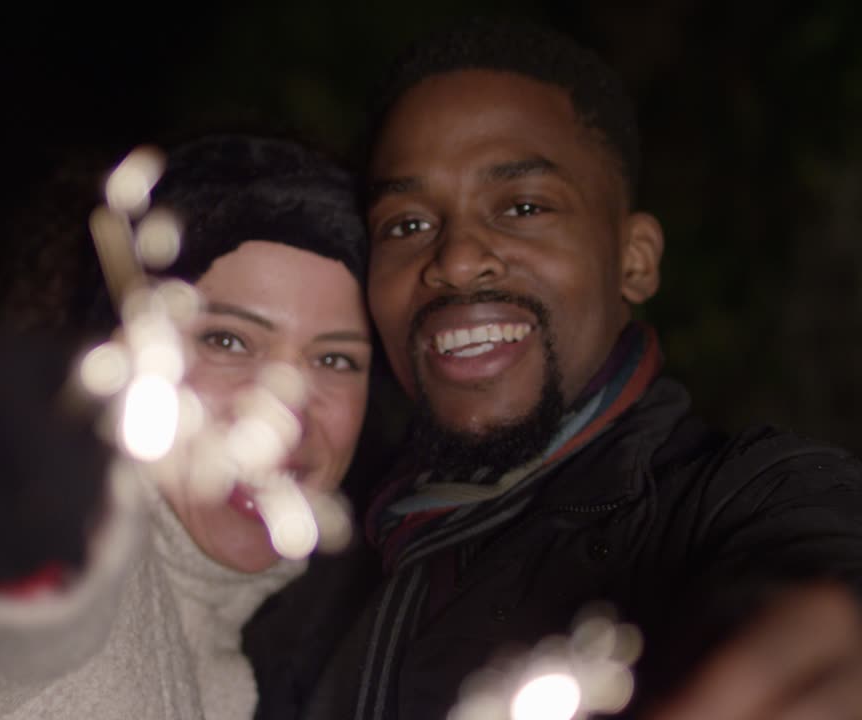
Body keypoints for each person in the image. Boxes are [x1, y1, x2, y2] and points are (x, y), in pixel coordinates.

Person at [246, 18, 862, 720]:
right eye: (407, 225)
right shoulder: (312, 568)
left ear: (634, 260)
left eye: (524, 207)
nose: (454, 260)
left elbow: (818, 580)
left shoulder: (732, 498)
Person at [0, 134, 373, 720]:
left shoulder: (242, 650)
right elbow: (10, 603)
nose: (284, 412)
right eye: (227, 340)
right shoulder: (91, 544)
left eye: (334, 360)